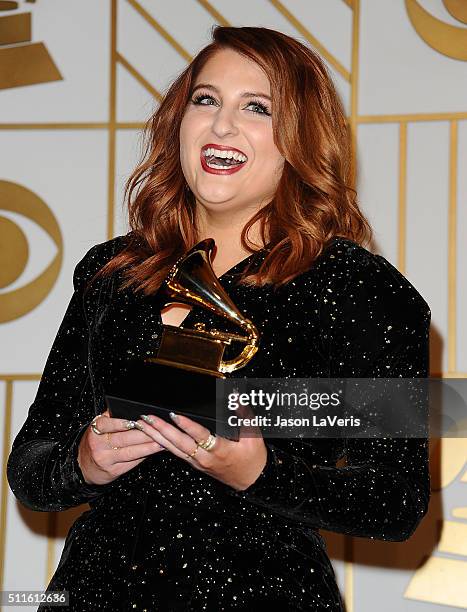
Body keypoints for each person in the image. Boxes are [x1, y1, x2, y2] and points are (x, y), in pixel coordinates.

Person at [6, 25, 431, 611]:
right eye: (206, 100)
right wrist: (83, 459)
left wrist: (260, 471)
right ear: (179, 122)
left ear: (300, 139)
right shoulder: (111, 272)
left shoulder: (359, 289)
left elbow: (396, 501)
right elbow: (29, 466)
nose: (222, 124)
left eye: (257, 108)